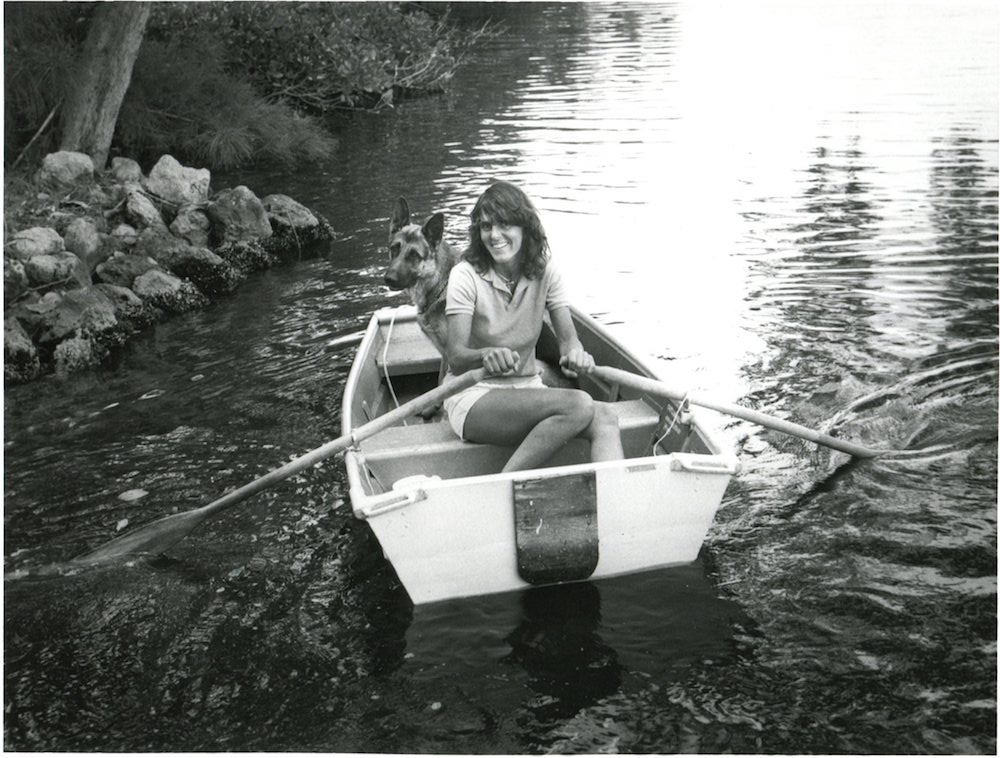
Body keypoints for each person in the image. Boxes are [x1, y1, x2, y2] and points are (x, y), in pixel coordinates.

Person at [443, 181, 624, 472]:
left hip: (528, 387)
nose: (494, 235)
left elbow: (568, 340)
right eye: (486, 226)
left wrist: (576, 353)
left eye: (504, 225)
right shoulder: (464, 275)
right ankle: (504, 484)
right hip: (474, 393)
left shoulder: (545, 270)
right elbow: (456, 356)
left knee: (605, 417)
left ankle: (617, 505)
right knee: (579, 404)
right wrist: (484, 354)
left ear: (525, 228)